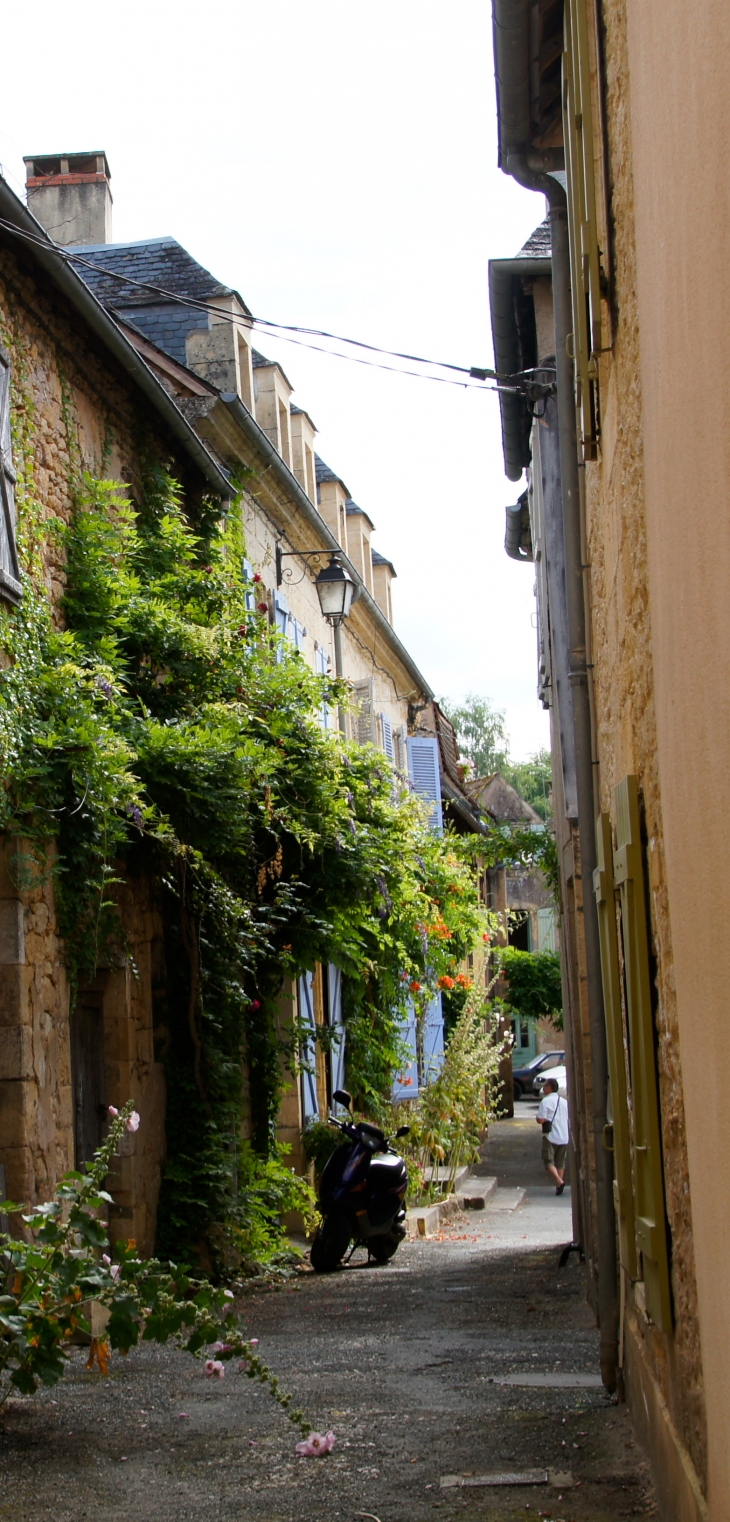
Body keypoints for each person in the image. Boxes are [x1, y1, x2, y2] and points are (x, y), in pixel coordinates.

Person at [536, 1077, 569, 1194]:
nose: (543, 1088)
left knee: (548, 1160)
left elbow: (541, 1120)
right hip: (564, 1135)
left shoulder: (545, 1101)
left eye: (544, 1086)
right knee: (560, 1161)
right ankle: (558, 1185)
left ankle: (559, 1181)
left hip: (550, 1135)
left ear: (549, 1088)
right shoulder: (564, 1102)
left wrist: (538, 1119)